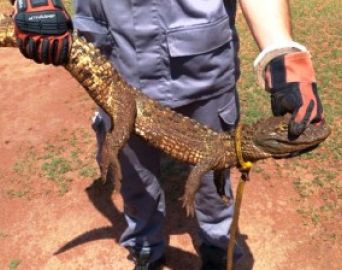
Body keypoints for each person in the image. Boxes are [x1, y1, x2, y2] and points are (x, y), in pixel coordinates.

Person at [12, 0, 324, 269]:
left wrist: (282, 53)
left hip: (204, 66)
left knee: (215, 188)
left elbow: (209, 168)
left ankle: (216, 243)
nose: (287, 135)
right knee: (135, 177)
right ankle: (145, 248)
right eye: (283, 132)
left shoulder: (231, 149)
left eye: (282, 133)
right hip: (114, 58)